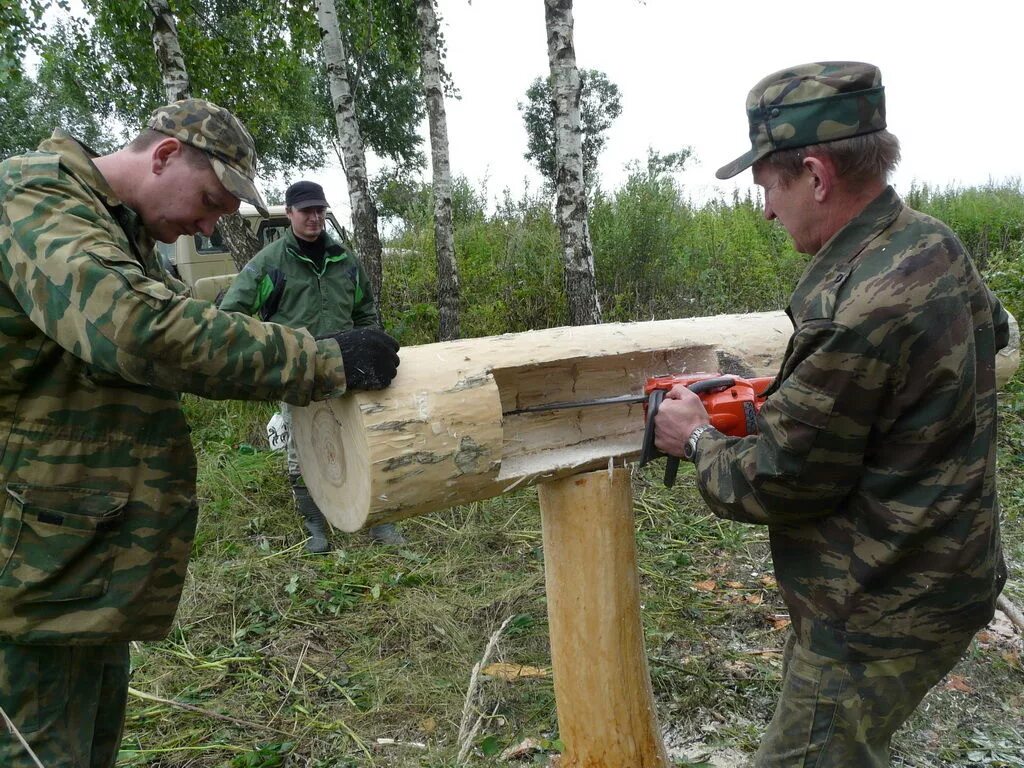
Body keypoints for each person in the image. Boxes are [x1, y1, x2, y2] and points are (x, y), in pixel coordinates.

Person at [0, 99, 400, 768]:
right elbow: (135, 326)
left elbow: (172, 322)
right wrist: (318, 359)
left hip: (75, 559)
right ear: (161, 157)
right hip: (27, 573)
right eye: (211, 199)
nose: (212, 222)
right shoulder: (32, 195)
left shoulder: (116, 228)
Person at [654, 62, 1010, 767]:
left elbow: (775, 480)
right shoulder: (931, 241)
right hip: (950, 574)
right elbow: (986, 335)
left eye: (767, 188)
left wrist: (693, 436)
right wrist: (779, 390)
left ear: (815, 175)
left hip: (880, 608)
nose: (765, 210)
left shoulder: (857, 310)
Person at [219, 180, 406, 550]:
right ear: (289, 214)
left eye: (319, 210)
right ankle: (315, 527)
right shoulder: (270, 262)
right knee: (301, 451)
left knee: (367, 444)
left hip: (350, 369)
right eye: (306, 211)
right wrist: (273, 351)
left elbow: (365, 309)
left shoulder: (344, 259)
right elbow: (231, 315)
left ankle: (379, 522)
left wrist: (368, 345)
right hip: (300, 372)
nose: (314, 217)